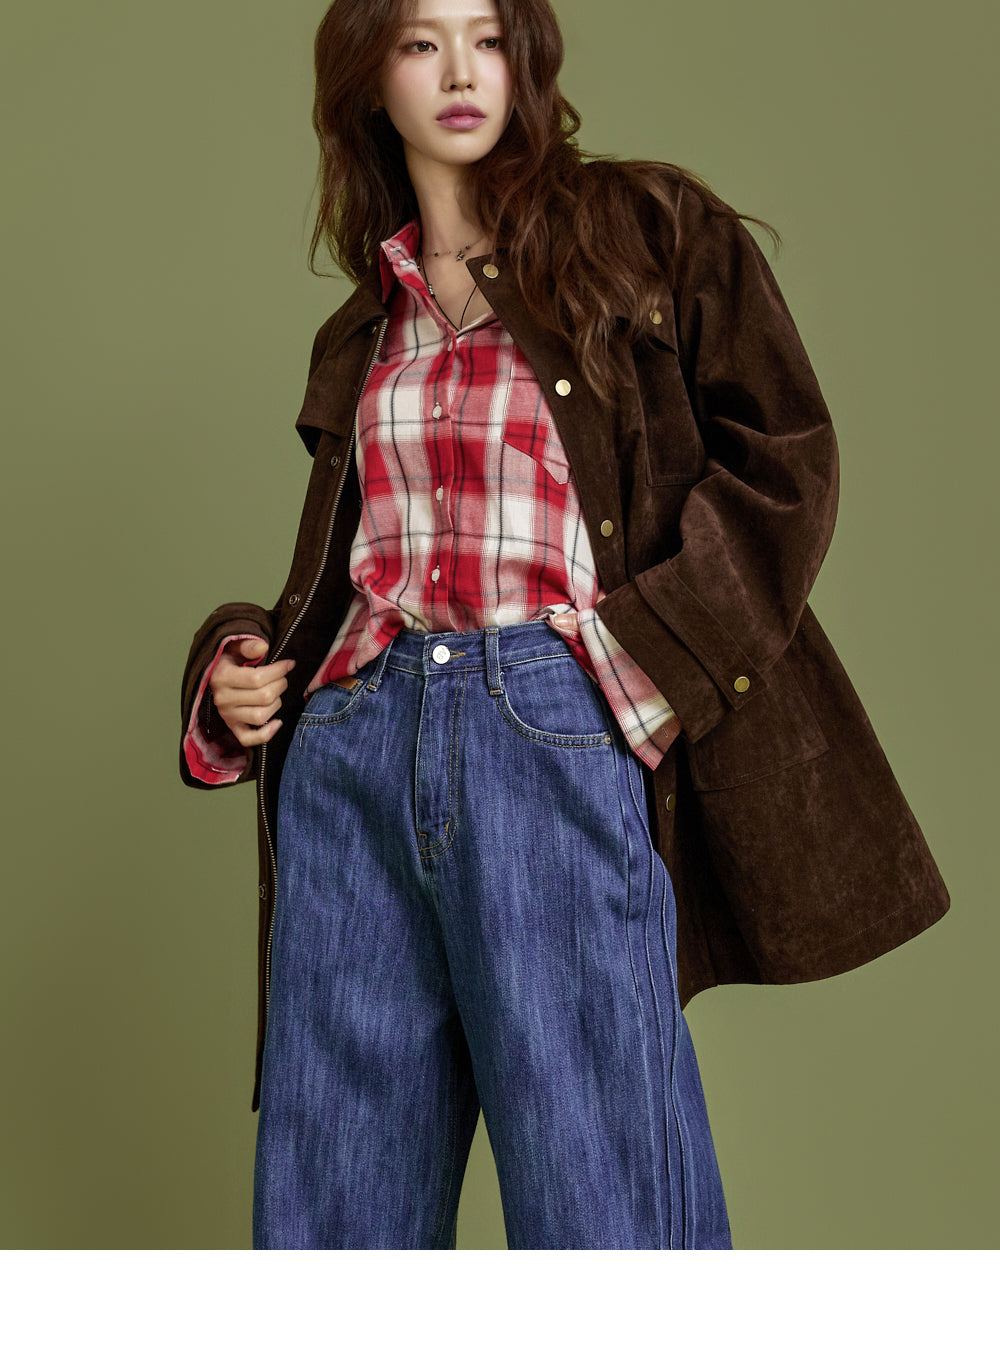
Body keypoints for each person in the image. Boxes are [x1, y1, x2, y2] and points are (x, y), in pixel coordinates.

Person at [179, 0, 950, 1249]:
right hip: (352, 754)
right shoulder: (363, 327)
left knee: (604, 1202)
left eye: (486, 36)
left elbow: (784, 457)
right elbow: (341, 578)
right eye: (421, 42)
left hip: (545, 724)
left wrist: (631, 663)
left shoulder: (643, 230)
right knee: (333, 1214)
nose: (460, 70)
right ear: (370, 77)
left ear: (525, 55)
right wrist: (238, 666)